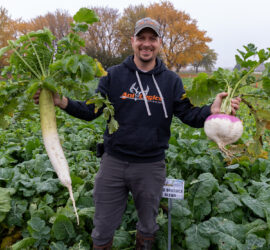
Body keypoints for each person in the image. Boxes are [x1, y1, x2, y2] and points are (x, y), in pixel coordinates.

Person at [34, 17, 241, 250]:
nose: (146, 44)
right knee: (102, 228)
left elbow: (188, 114)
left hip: (150, 166)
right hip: (114, 163)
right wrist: (61, 102)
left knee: (148, 227)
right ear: (132, 41)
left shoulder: (171, 81)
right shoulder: (113, 76)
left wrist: (211, 112)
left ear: (159, 43)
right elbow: (92, 110)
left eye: (152, 39)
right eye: (141, 38)